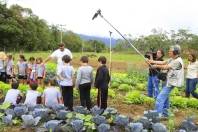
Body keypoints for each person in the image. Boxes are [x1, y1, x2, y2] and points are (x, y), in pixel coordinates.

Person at [147, 45, 184, 117]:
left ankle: (157, 116)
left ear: (175, 52)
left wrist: (155, 66)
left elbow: (166, 67)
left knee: (159, 98)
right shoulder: (172, 59)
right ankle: (166, 113)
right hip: (167, 80)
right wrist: (151, 61)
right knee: (166, 98)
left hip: (171, 83)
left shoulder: (177, 61)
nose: (169, 52)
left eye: (170, 51)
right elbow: (163, 62)